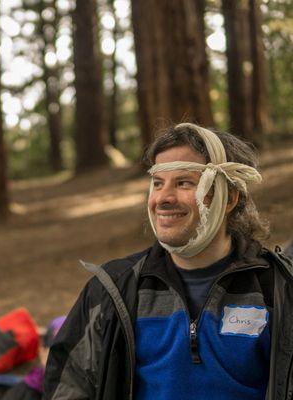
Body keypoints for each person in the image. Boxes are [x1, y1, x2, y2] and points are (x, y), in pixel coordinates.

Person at [43, 123, 293, 400]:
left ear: (228, 198)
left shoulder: (279, 289)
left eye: (184, 182)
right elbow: (68, 388)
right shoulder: (113, 291)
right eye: (158, 184)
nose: (163, 198)